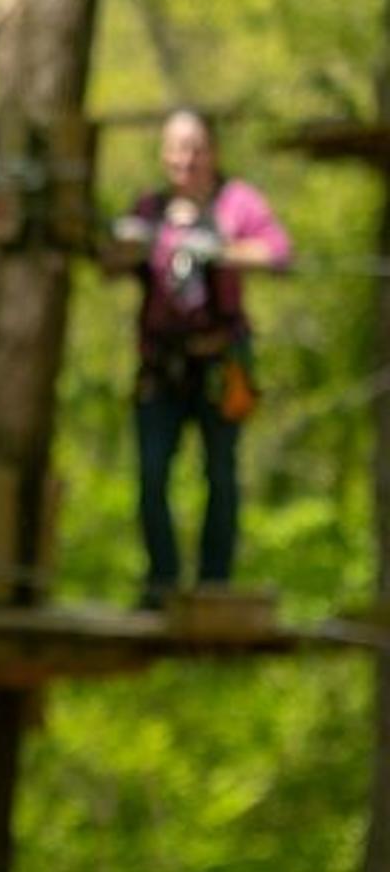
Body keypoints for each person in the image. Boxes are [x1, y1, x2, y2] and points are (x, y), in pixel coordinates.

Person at [108, 108, 288, 609]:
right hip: (160, 369)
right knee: (150, 476)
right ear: (163, 154)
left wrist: (222, 250)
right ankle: (161, 584)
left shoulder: (237, 202)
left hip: (221, 365)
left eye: (195, 148)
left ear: (213, 151)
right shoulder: (149, 209)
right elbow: (106, 259)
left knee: (222, 476)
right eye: (176, 148)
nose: (185, 159)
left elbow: (278, 254)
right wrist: (134, 243)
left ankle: (214, 587)